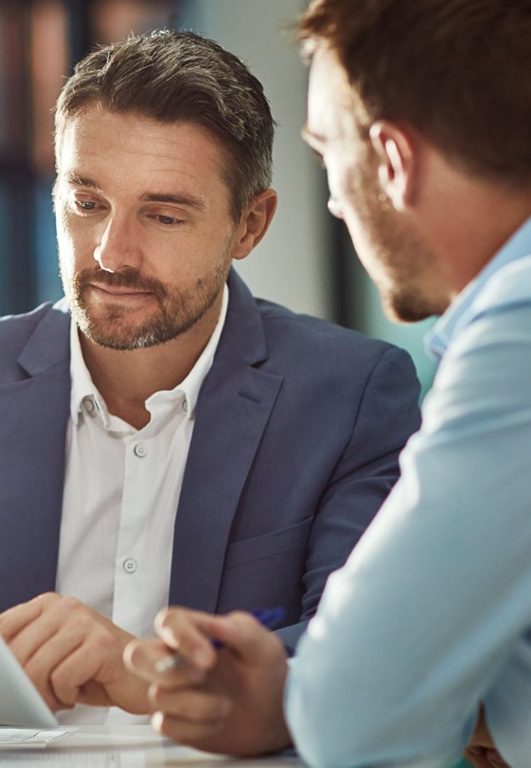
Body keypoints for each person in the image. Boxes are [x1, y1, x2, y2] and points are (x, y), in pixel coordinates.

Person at [0, 31, 420, 754]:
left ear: (249, 225)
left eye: (164, 216)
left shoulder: (351, 394)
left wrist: (144, 671)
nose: (112, 253)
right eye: (86, 203)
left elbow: (371, 655)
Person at [125, 3, 531, 768]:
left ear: (393, 159)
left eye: (327, 154)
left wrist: (303, 695)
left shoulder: (520, 328)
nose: (336, 201)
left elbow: (358, 718)